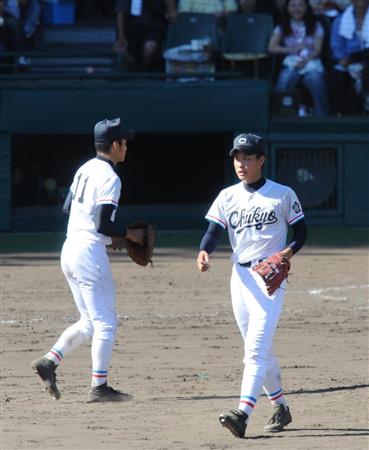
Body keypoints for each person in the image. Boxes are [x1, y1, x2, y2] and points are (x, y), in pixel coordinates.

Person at [196, 133, 307, 438]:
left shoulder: (282, 194)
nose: (241, 163)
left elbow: (301, 231)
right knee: (258, 347)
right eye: (237, 157)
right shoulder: (227, 195)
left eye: (247, 157)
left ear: (261, 159)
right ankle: (281, 407)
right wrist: (204, 250)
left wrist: (288, 252)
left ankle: (242, 414)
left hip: (270, 279)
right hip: (240, 278)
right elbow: (213, 231)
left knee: (255, 350)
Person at [31, 118, 145, 403]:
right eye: (125, 141)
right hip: (88, 253)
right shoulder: (110, 177)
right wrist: (128, 234)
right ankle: (99, 387)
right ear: (116, 144)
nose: (127, 146)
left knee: (89, 321)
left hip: (70, 248)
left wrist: (111, 236)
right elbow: (102, 223)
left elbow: (69, 207)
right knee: (106, 323)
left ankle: (49, 361)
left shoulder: (85, 169)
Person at [268, 0, 330, 116]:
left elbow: (317, 50)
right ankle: (278, 116)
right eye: (293, 5)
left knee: (316, 79)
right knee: (285, 79)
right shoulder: (282, 26)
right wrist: (290, 50)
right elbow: (271, 47)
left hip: (311, 62)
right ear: (287, 8)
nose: (297, 9)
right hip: (292, 62)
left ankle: (323, 116)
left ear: (307, 7)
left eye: (300, 5)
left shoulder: (316, 25)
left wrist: (306, 60)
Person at [330, 0, 369, 114]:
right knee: (338, 72)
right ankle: (342, 114)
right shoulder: (340, 19)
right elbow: (336, 45)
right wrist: (342, 58)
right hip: (349, 60)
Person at [114, 0, 177, 70]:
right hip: (132, 30)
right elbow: (120, 13)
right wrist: (121, 37)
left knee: (150, 49)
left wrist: (171, 10)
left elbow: (170, 9)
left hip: (153, 28)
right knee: (124, 53)